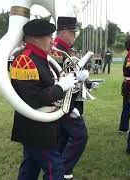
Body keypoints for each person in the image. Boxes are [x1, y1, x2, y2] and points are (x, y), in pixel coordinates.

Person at [10, 19, 77, 180]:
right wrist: (60, 87)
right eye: (49, 36)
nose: (53, 41)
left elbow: (44, 87)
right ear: (36, 38)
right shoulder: (24, 60)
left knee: (30, 169)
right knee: (55, 170)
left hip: (40, 125)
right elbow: (33, 99)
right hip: (34, 126)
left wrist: (68, 107)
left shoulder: (40, 57)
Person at [51, 16, 89, 180]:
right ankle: (64, 171)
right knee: (80, 135)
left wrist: (86, 82)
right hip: (63, 101)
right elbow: (57, 77)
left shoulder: (67, 50)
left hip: (71, 99)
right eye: (73, 33)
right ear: (64, 32)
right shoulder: (56, 51)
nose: (74, 36)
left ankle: (56, 170)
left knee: (63, 138)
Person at [119, 37, 130, 133]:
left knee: (127, 107)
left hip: (127, 83)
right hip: (129, 84)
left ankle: (123, 127)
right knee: (128, 107)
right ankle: (124, 127)